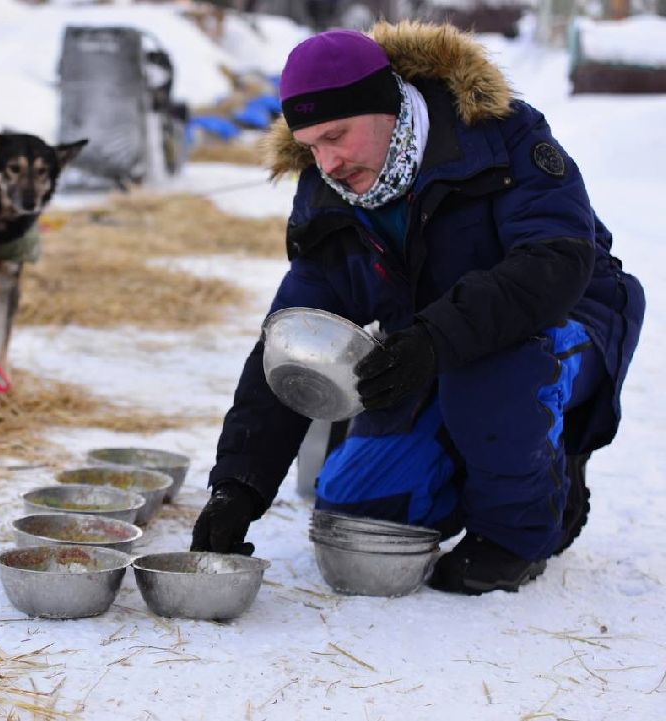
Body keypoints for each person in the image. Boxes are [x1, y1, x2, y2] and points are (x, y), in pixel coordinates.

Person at [190, 23, 645, 595]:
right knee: (359, 509)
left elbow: (553, 264)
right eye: (311, 146)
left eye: (337, 135)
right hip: (432, 348)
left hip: (562, 323)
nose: (327, 163)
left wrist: (431, 342)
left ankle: (520, 528)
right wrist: (239, 486)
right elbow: (294, 342)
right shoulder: (329, 197)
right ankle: (498, 461)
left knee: (493, 375)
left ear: (386, 107)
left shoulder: (498, 139)